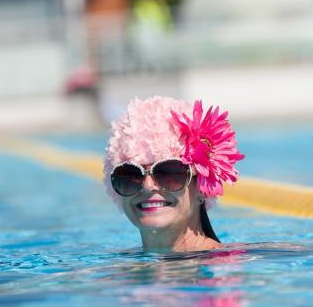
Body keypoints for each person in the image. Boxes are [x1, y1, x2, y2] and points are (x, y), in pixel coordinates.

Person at [103, 95, 244, 252]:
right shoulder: (118, 270)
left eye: (168, 172)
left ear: (201, 188)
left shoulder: (230, 267)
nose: (148, 186)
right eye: (130, 175)